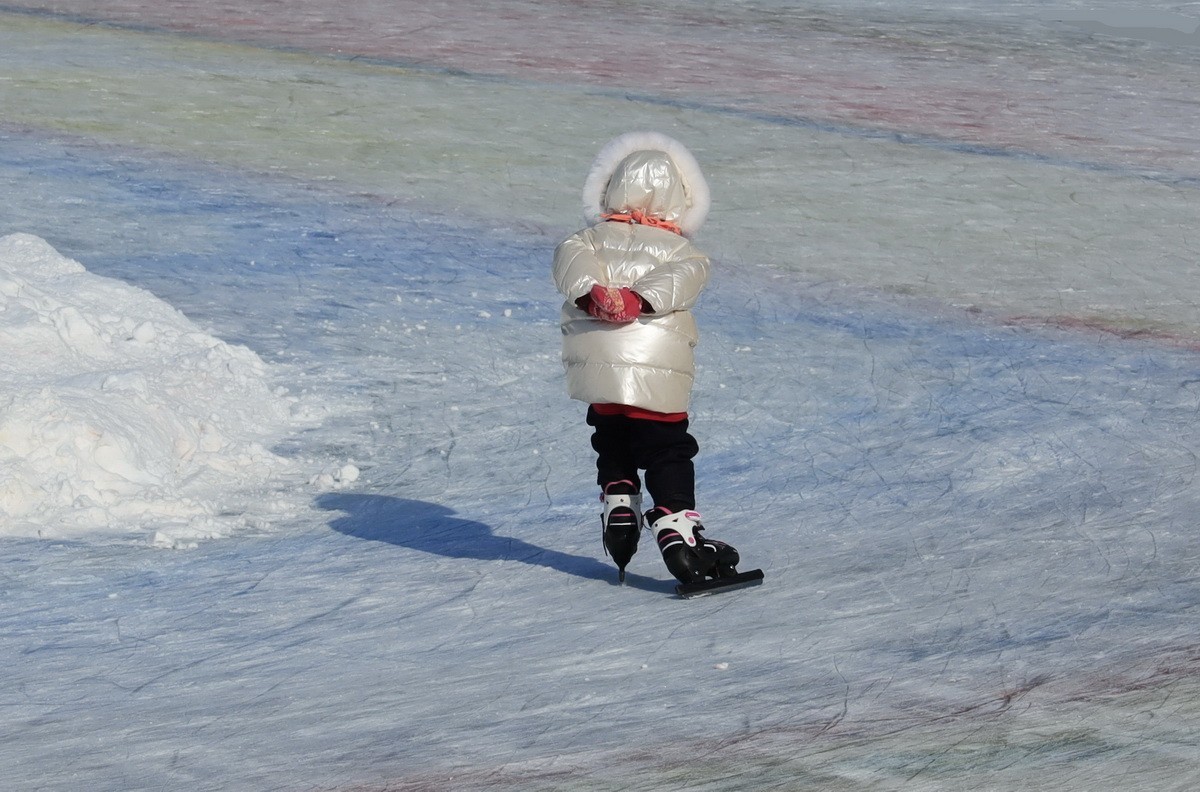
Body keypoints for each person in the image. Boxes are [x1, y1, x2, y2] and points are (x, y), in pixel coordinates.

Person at [552, 131, 742, 585]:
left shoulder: (587, 240)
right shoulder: (687, 252)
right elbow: (681, 280)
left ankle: (619, 503)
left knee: (611, 436)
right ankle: (679, 533)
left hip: (598, 371)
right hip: (655, 373)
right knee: (667, 448)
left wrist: (594, 294)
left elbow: (568, 263)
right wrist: (638, 301)